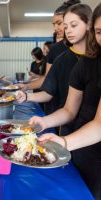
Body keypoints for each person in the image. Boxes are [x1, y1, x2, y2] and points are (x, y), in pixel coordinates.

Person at [29, 3, 101, 199]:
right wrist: (45, 122)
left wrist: (64, 141)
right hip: (82, 146)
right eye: (100, 32)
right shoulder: (84, 65)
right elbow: (69, 109)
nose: (67, 31)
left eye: (73, 25)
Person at [15, 3, 92, 136]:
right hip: (69, 126)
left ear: (88, 25)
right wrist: (26, 96)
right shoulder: (62, 59)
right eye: (66, 26)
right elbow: (51, 94)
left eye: (73, 25)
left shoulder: (94, 59)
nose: (68, 30)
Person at [17, 0, 80, 92]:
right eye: (54, 25)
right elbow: (48, 79)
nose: (55, 28)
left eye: (59, 23)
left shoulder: (87, 50)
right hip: (56, 101)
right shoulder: (56, 49)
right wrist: (26, 86)